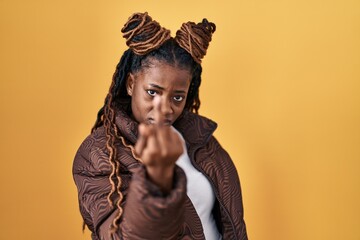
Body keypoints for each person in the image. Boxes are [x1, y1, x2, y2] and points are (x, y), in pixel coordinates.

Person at [73, 12, 248, 240]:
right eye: (153, 92)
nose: (165, 108)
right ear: (130, 84)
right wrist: (158, 178)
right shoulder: (97, 154)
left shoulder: (202, 140)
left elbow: (231, 223)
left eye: (177, 97)